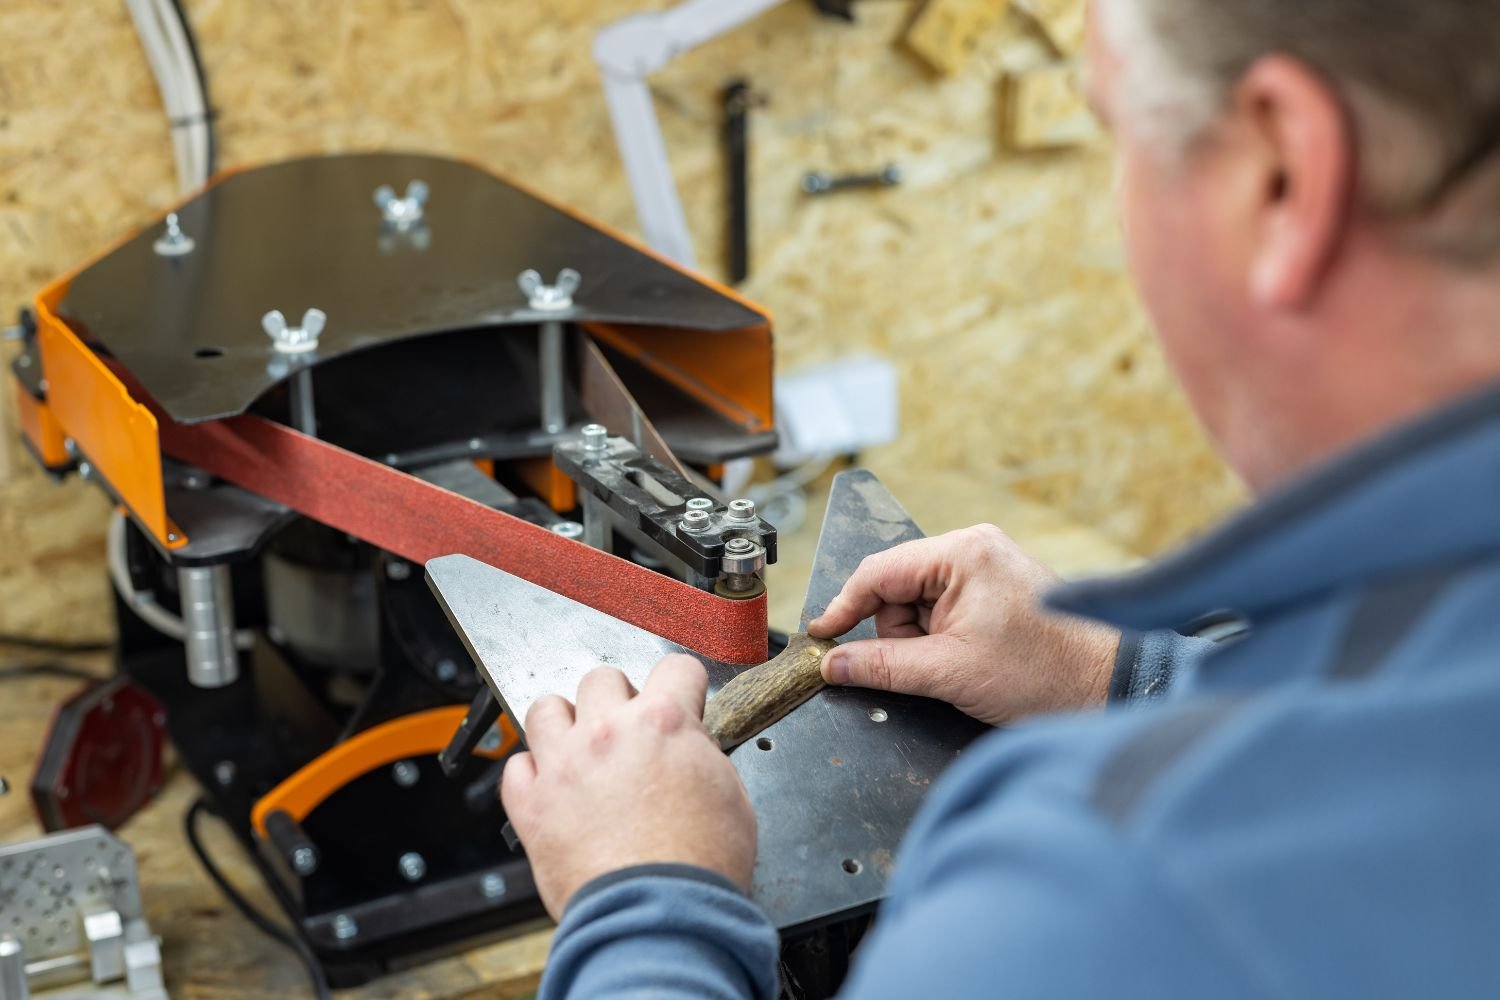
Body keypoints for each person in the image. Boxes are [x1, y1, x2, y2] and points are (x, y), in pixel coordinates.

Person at [500, 0, 1500, 995]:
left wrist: (644, 897)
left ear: (1282, 175)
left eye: (1117, 132)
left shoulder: (1095, 902)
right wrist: (1118, 673)